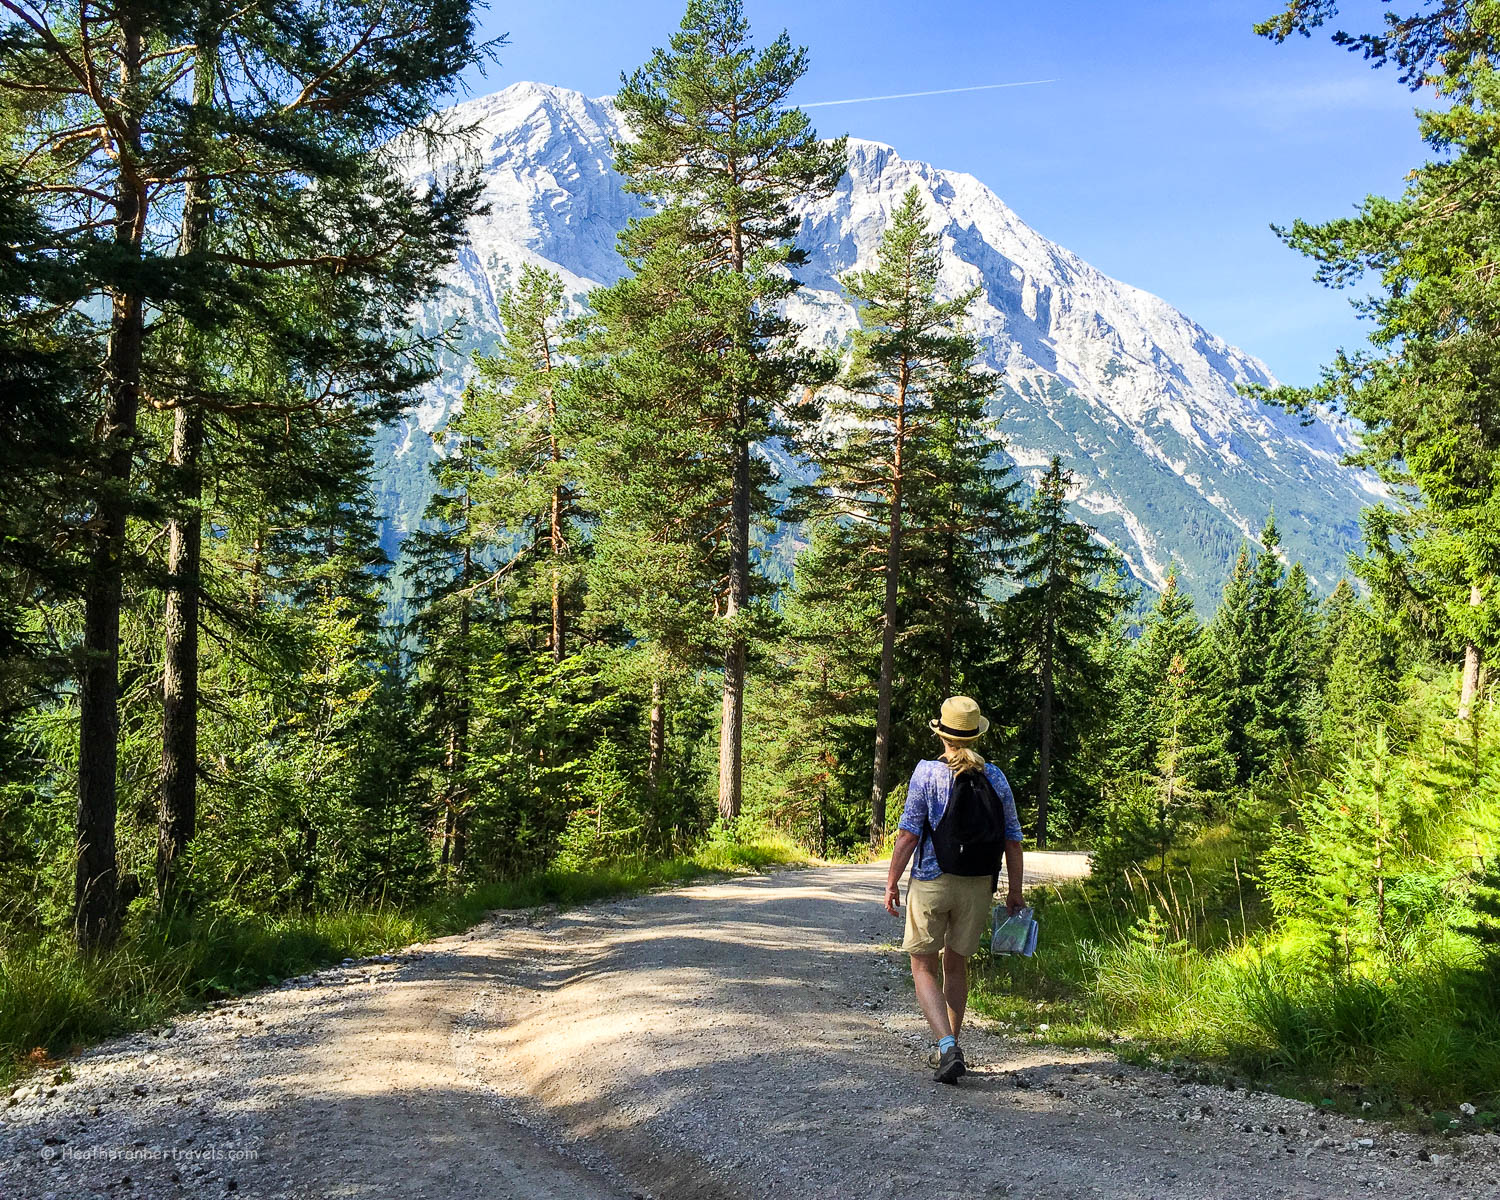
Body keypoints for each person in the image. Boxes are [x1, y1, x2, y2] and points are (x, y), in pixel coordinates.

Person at [883, 695, 1024, 1084]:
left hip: (932, 881)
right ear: (975, 735)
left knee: (923, 964)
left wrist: (892, 880)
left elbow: (909, 834)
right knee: (956, 964)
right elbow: (1013, 839)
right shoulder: (994, 776)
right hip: (978, 885)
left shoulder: (927, 773)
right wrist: (1016, 891)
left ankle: (946, 1046)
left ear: (942, 735)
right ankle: (950, 1047)